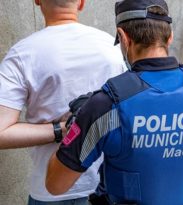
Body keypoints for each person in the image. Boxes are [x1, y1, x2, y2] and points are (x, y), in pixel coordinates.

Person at [45, 0, 183, 204]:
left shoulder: (105, 105)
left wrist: (76, 123)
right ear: (170, 36)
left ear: (123, 37)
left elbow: (55, 185)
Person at [0, 0, 124, 204]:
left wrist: (61, 130)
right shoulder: (112, 47)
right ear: (82, 3)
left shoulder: (22, 54)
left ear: (37, 1)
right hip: (107, 186)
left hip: (50, 190)